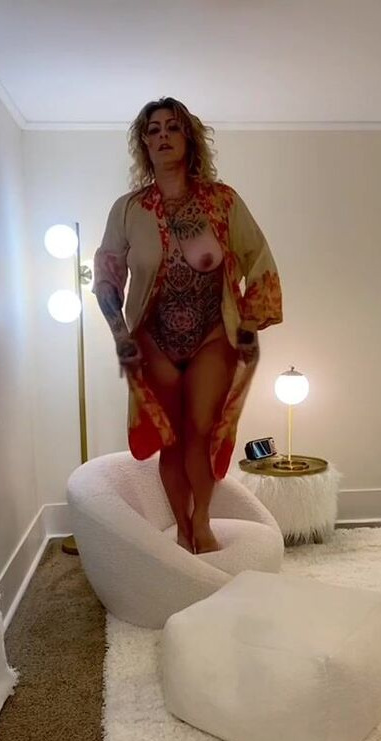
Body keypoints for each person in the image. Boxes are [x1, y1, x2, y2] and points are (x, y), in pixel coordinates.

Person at [93, 97, 282, 555]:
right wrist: (120, 335)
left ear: (189, 138)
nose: (162, 136)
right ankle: (182, 526)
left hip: (213, 336)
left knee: (201, 430)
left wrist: (248, 324)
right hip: (153, 340)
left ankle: (202, 522)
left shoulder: (222, 202)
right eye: (153, 129)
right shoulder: (128, 209)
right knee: (172, 439)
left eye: (172, 127)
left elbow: (259, 259)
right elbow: (107, 274)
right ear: (144, 143)